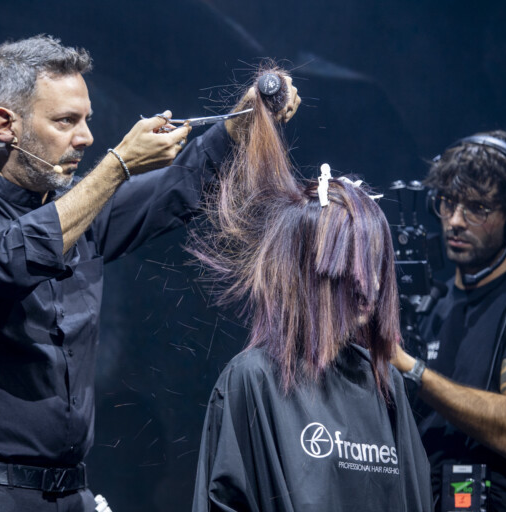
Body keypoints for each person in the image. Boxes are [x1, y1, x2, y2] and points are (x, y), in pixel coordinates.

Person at [0, 35, 300, 511]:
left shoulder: (81, 217)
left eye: (86, 119)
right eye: (65, 121)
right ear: (5, 125)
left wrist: (240, 125)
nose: (86, 137)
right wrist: (117, 167)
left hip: (70, 494)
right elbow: (7, 260)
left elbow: (179, 185)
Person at [189, 68, 432, 512]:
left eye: (375, 265)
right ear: (311, 271)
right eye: (350, 265)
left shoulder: (386, 385)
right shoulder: (252, 380)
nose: (370, 284)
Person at [391, 131, 506, 511]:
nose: (456, 221)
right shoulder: (429, 306)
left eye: (478, 208)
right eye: (448, 203)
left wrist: (412, 371)